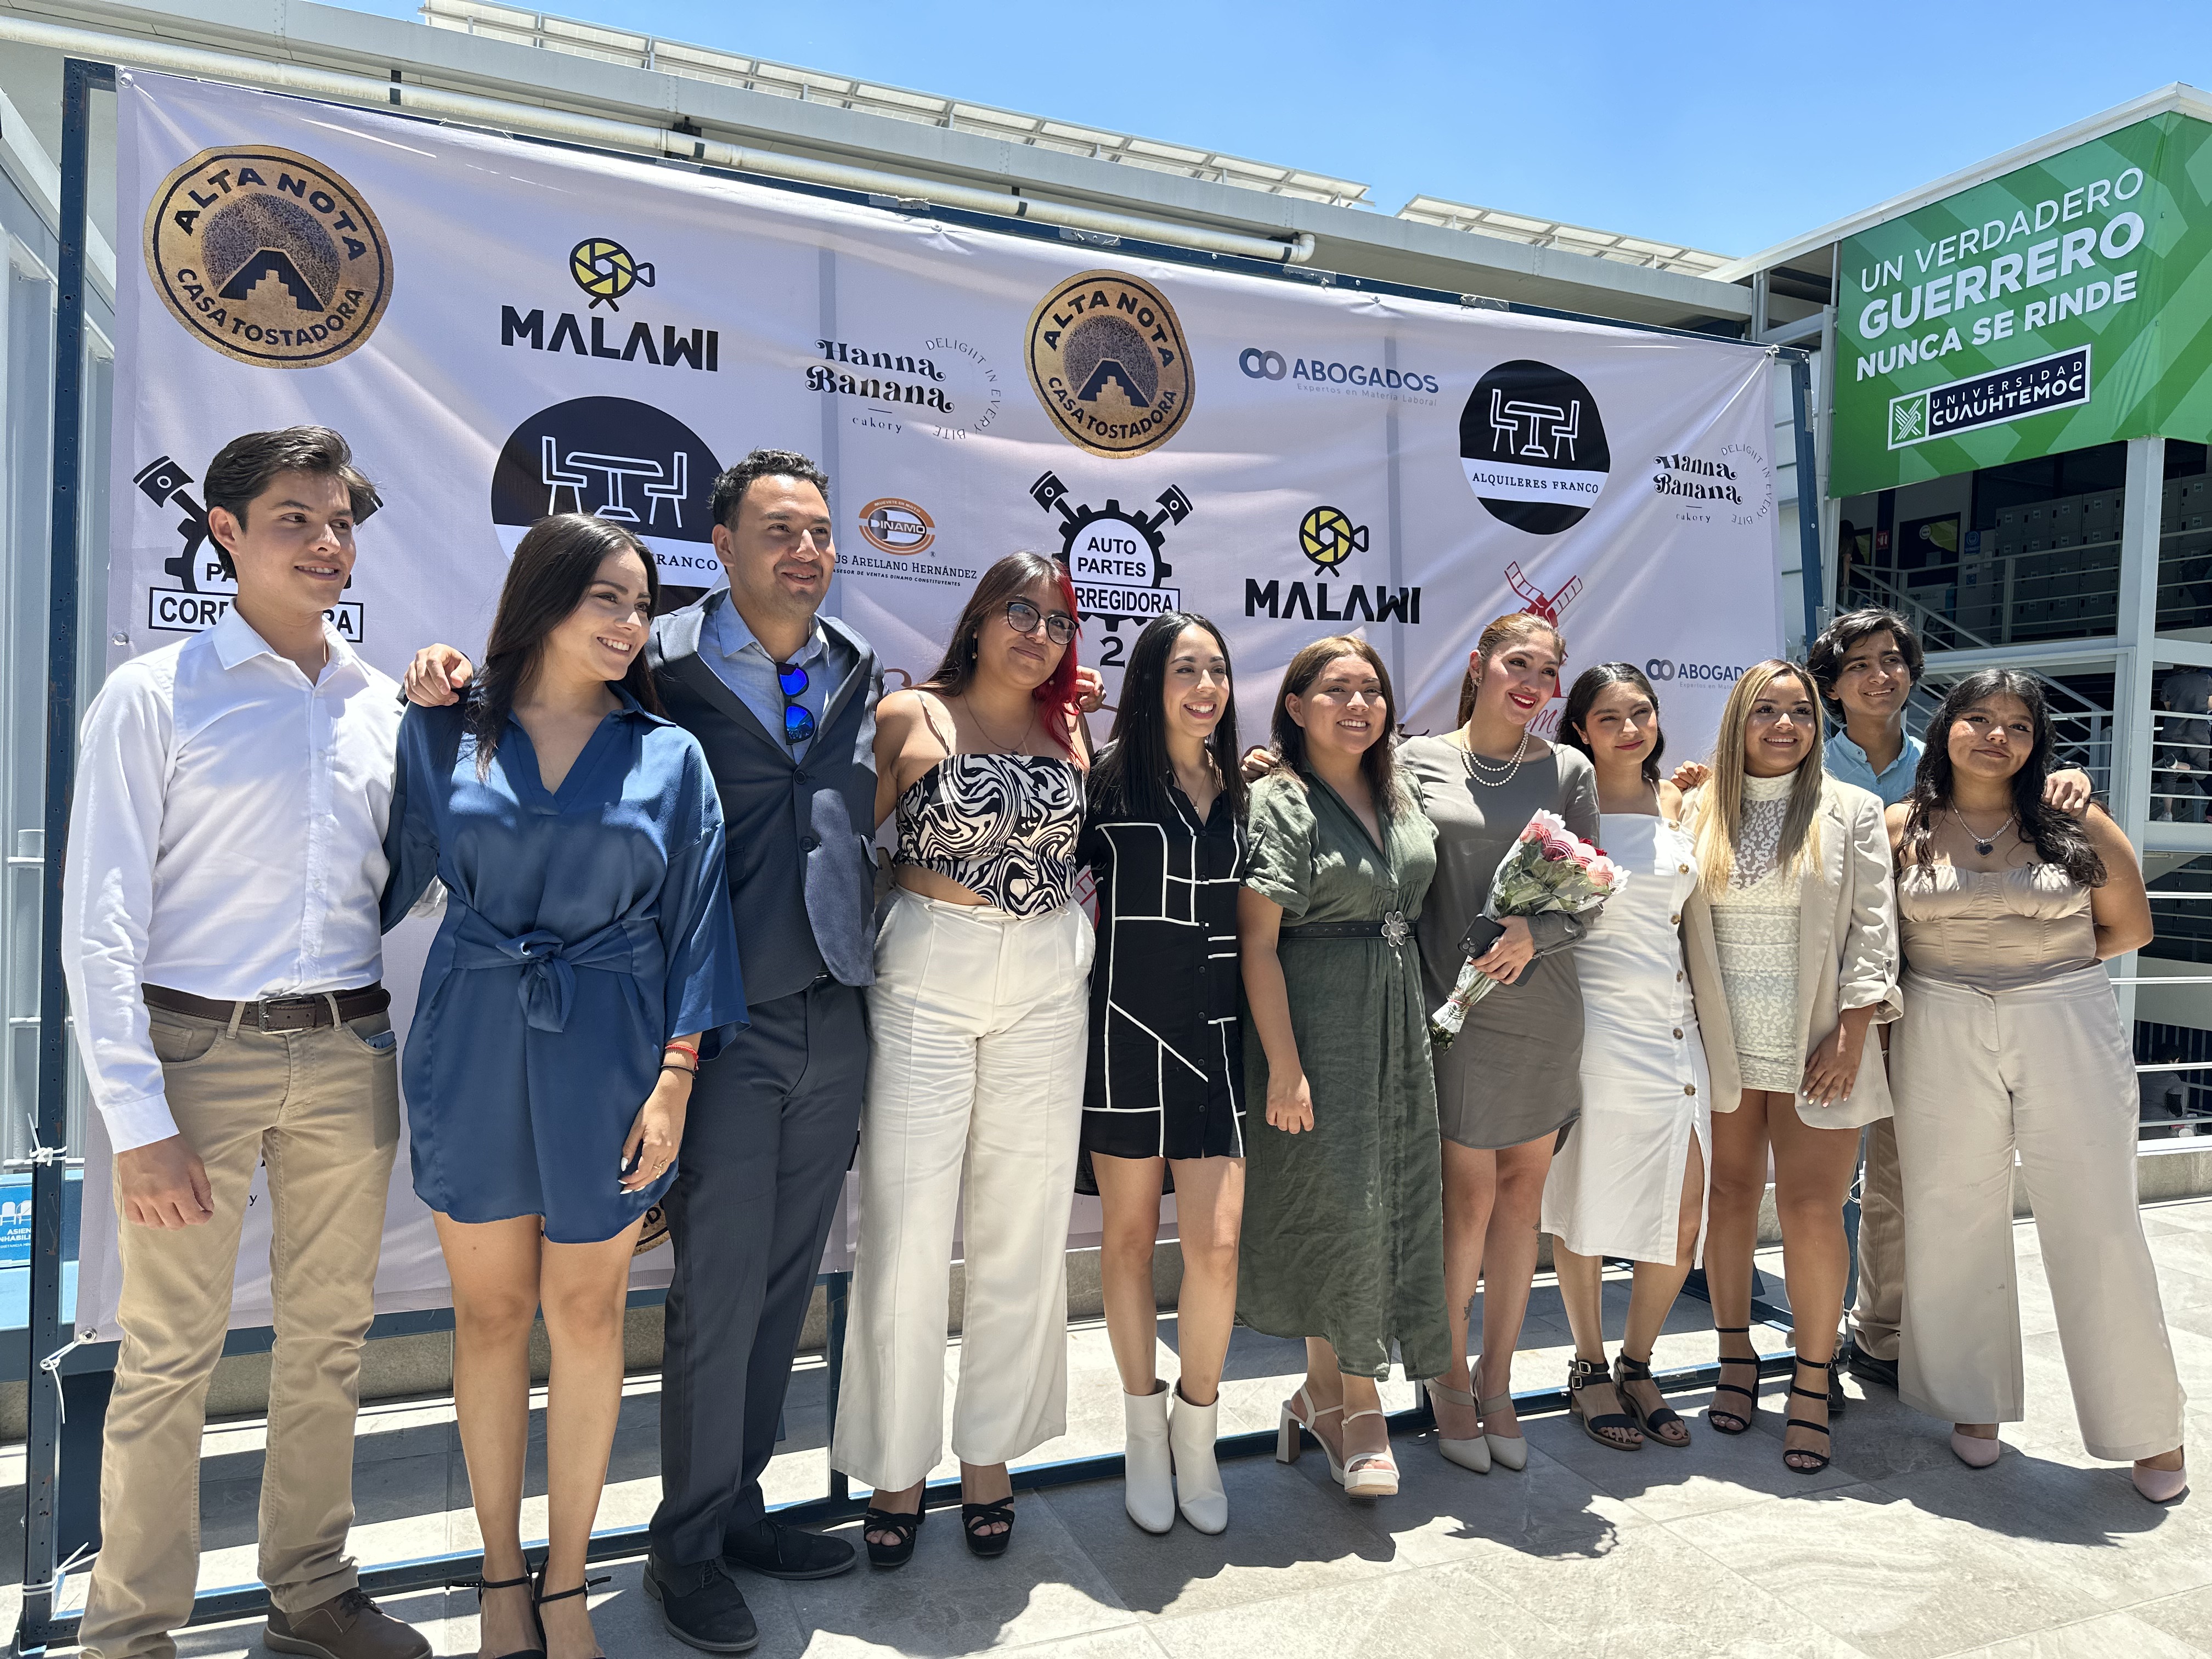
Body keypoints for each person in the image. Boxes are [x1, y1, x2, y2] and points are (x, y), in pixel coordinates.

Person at [407, 450, 882, 1651]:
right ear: (720, 545)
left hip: (820, 1004)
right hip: (668, 1028)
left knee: (780, 1281)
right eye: (780, 529)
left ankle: (730, 1509)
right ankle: (676, 1542)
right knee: (696, 1291)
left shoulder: (854, 670)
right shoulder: (657, 678)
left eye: (821, 531)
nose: (806, 550)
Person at [60, 427, 430, 1659]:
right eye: (294, 519)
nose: (327, 544)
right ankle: (128, 1632)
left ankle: (311, 1592)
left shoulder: (384, 708)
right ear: (224, 531)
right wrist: (138, 1123)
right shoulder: (153, 696)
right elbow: (99, 928)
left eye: (339, 522)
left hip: (350, 1050)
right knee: (169, 1357)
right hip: (193, 1055)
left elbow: (418, 887)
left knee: (329, 1342)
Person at [381, 516, 747, 1659]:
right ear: (541, 599)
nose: (632, 625)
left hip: (615, 1055)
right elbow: (380, 876)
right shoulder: (443, 734)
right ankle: (499, 1580)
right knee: (489, 1319)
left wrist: (676, 1084)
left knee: (587, 1318)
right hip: (476, 1041)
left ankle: (568, 1585)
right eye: (608, 598)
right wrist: (410, 688)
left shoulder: (667, 754)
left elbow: (700, 928)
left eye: (643, 606)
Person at [833, 552, 1093, 1566]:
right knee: (904, 1229)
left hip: (1043, 982)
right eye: (1018, 612)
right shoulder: (909, 717)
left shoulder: (1069, 728)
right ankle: (898, 1469)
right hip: (926, 979)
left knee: (1023, 1228)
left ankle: (991, 1458)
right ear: (979, 620)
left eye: (1058, 620)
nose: (1037, 632)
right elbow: (840, 847)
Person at [1885, 669, 2188, 1502]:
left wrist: (2035, 974)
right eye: (1978, 718)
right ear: (1945, 728)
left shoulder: (2073, 815)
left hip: (2065, 1018)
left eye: (2016, 725)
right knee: (1951, 1214)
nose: (1995, 735)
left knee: (2097, 1218)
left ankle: (2147, 1431)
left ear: (2036, 742)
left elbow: (2132, 924)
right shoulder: (1899, 826)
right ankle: (1970, 1405)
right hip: (1938, 1020)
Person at [1790, 608, 2090, 1394]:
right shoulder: (1801, 768)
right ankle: (1806, 1335)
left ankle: (1881, 1332)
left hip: (1922, 1002)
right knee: (1812, 1179)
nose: (1880, 676)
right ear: (1830, 684)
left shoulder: (1949, 764)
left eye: (1893, 661)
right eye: (1859, 665)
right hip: (1816, 1002)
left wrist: (2072, 779)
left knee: (1899, 1173)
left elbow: (2029, 816)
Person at [1239, 636, 1447, 1501]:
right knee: (1340, 1209)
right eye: (1335, 691)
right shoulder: (1280, 801)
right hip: (1318, 1027)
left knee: (1389, 1204)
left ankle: (1321, 1394)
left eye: (1371, 690)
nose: (1357, 705)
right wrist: (1285, 1069)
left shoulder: (1398, 790)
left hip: (1398, 1024)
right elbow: (1256, 945)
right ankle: (1358, 1404)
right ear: (1295, 707)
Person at [1683, 660, 1898, 1475]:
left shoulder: (1852, 810)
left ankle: (1812, 1379)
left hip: (1819, 1047)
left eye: (1799, 711)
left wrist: (1852, 1035)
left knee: (1812, 1211)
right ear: (1738, 720)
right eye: (1764, 711)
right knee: (1730, 1199)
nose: (1784, 725)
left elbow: (1876, 934)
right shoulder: (1698, 809)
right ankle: (1736, 1356)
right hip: (1723, 1045)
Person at [1398, 613, 1601, 1475]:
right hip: (1457, 1012)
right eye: (1518, 663)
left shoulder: (1569, 769)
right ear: (1479, 664)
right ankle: (1444, 1378)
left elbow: (1591, 890)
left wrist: (1535, 933)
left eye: (1549, 672)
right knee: (1468, 1203)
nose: (1532, 682)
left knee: (1524, 1202)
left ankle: (1498, 1378)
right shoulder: (1415, 761)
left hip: (1546, 1006)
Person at [1078, 613, 1248, 1536]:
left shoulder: (1247, 790)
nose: (1205, 686)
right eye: (1186, 668)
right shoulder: (1102, 786)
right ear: (1150, 682)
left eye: (1216, 670)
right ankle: (1143, 1431)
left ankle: (1197, 1431)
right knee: (1131, 1243)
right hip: (1122, 1032)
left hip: (1219, 1040)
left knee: (1218, 1248)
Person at [1543, 663, 1709, 1452]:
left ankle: (1641, 1362)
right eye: (1609, 718)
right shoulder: (1561, 803)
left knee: (1683, 1216)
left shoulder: (1678, 800)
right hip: (1598, 1025)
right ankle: (1588, 1364)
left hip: (1679, 1027)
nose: (1630, 729)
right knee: (1584, 1205)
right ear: (1581, 729)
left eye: (1640, 712)